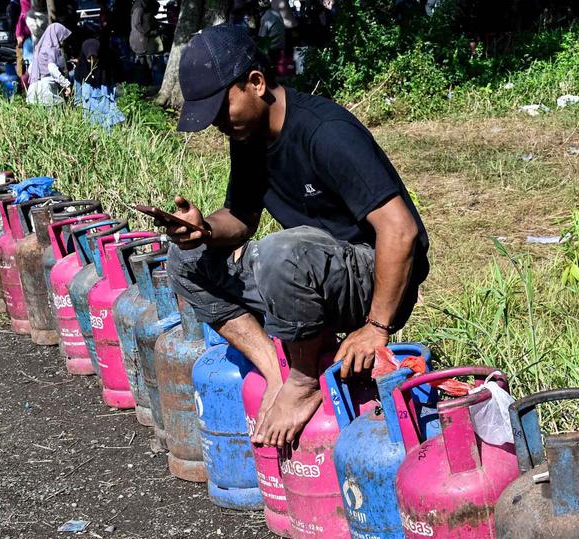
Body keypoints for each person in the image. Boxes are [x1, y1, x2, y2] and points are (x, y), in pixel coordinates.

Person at [161, 25, 429, 449]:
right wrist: (204, 230)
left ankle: (304, 382)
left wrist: (376, 328)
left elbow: (401, 230)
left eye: (220, 107)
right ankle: (275, 371)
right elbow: (242, 218)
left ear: (256, 82)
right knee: (184, 261)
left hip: (373, 275)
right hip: (310, 272)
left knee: (278, 252)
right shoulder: (248, 135)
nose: (216, 123)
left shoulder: (325, 131)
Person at [26, 22, 72, 105]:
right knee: (59, 110)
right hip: (46, 90)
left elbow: (30, 70)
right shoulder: (52, 49)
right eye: (62, 37)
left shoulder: (39, 50)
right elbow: (52, 68)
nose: (63, 40)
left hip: (33, 90)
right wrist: (66, 84)